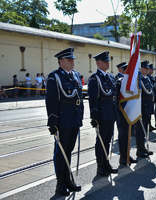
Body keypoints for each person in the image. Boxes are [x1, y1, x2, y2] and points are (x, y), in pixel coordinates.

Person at [45, 47, 83, 196]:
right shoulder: (54, 77)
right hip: (62, 122)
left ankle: (68, 180)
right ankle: (60, 185)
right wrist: (53, 123)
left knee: (68, 152)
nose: (72, 62)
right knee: (60, 154)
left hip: (74, 121)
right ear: (61, 61)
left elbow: (78, 99)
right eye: (69, 59)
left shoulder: (75, 75)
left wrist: (80, 118)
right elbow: (51, 101)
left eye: (73, 59)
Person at [88, 51, 118, 177]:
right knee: (100, 142)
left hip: (111, 114)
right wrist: (94, 116)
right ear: (98, 63)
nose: (107, 63)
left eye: (108, 61)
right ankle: (101, 166)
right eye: (105, 61)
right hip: (101, 115)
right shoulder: (94, 79)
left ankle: (106, 163)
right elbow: (93, 100)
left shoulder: (111, 77)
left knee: (108, 140)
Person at [135, 61, 154, 158]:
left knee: (145, 129)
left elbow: (150, 93)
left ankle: (144, 148)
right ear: (141, 69)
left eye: (147, 69)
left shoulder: (148, 79)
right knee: (140, 130)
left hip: (147, 108)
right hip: (141, 108)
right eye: (145, 69)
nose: (147, 70)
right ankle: (140, 150)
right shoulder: (138, 79)